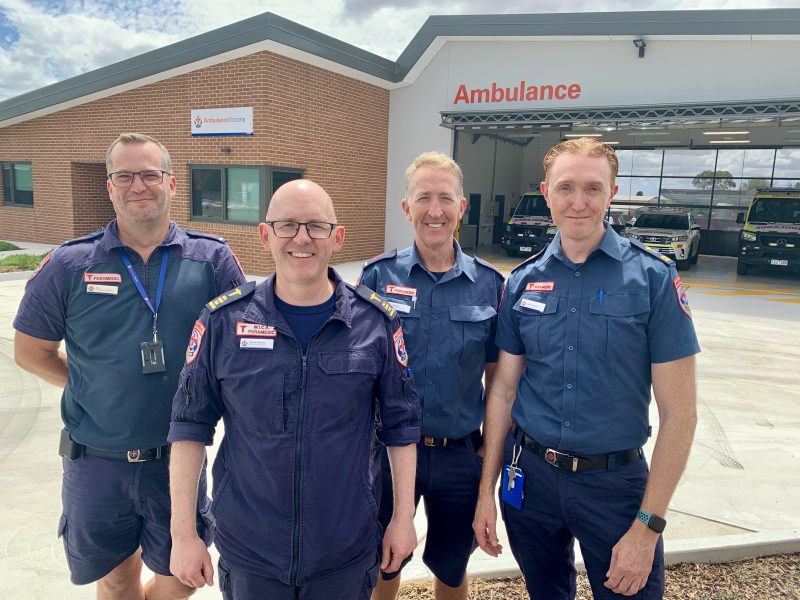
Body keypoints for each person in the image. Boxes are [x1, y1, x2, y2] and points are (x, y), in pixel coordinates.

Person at [13, 133, 245, 599]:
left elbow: (240, 349)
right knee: (116, 581)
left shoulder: (211, 260)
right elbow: (30, 351)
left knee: (181, 580)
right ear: (110, 187)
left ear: (173, 184)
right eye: (125, 176)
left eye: (150, 174)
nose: (138, 185)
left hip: (176, 461)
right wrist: (86, 383)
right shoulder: (70, 264)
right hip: (97, 465)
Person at [168, 179, 421, 600]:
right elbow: (188, 428)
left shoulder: (376, 323)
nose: (301, 239)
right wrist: (184, 532)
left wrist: (402, 518)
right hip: (251, 551)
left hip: (343, 549)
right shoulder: (221, 323)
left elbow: (402, 428)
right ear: (264, 235)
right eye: (287, 225)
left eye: (316, 226)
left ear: (337, 238)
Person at [473, 137, 700, 599]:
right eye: (566, 188)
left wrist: (648, 525)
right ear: (546, 191)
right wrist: (486, 493)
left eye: (593, 188)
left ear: (612, 191)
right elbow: (503, 392)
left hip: (614, 488)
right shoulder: (520, 282)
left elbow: (681, 414)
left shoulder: (653, 279)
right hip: (531, 481)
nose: (578, 202)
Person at [359, 151, 505, 600]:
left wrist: (488, 473)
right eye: (424, 197)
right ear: (407, 208)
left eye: (446, 198)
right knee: (382, 564)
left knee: (452, 569)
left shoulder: (490, 285)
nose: (435, 210)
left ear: (462, 207)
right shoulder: (377, 276)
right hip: (386, 453)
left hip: (459, 456)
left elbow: (500, 382)